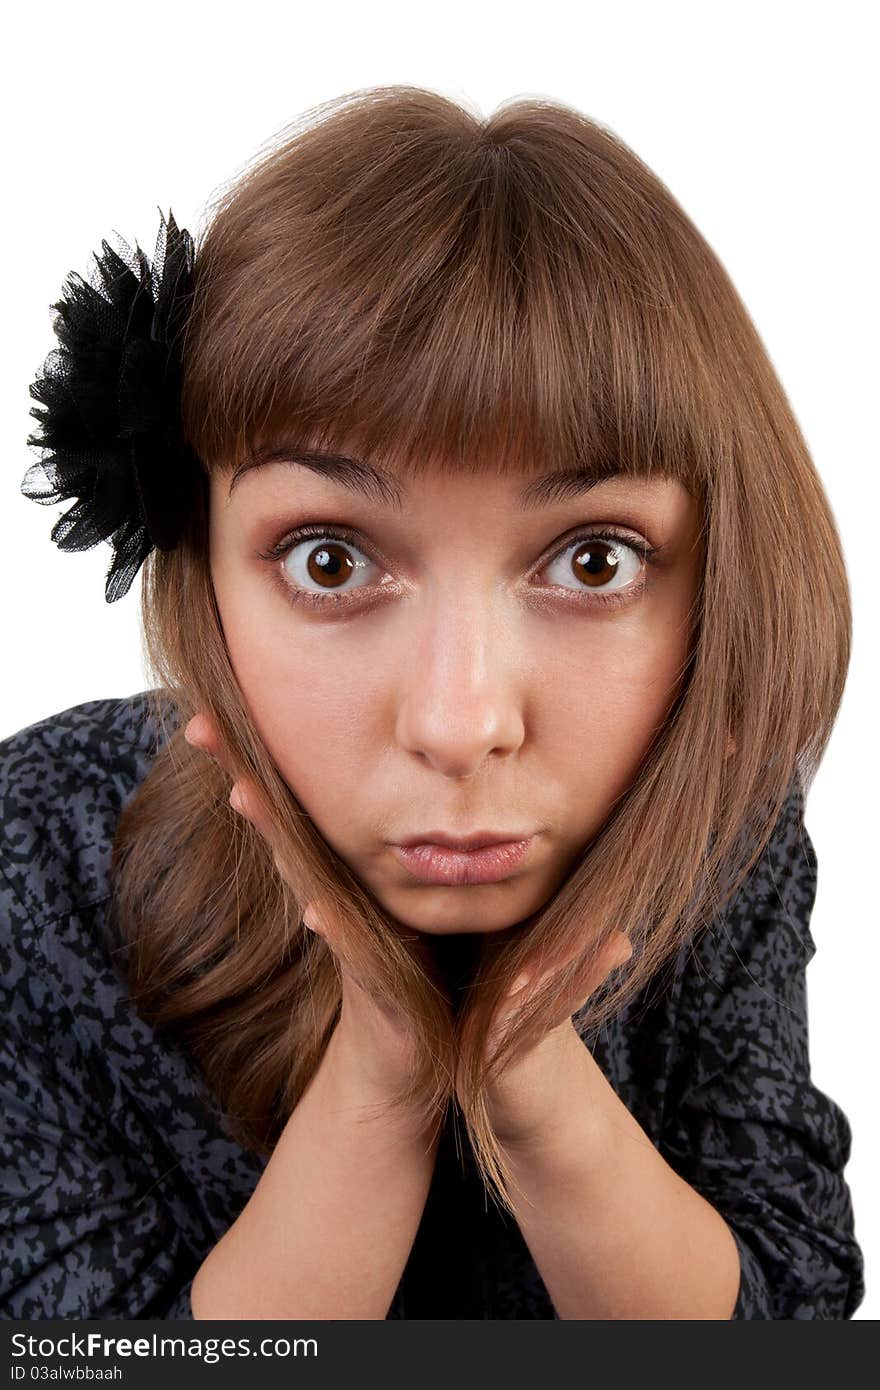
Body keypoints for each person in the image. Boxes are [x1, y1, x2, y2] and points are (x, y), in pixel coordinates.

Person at [0, 84, 864, 1320]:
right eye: (333, 561)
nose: (462, 725)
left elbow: (792, 1317)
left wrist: (534, 1085)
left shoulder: (717, 833)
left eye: (593, 560)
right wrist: (386, 1079)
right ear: (203, 566)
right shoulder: (34, 844)